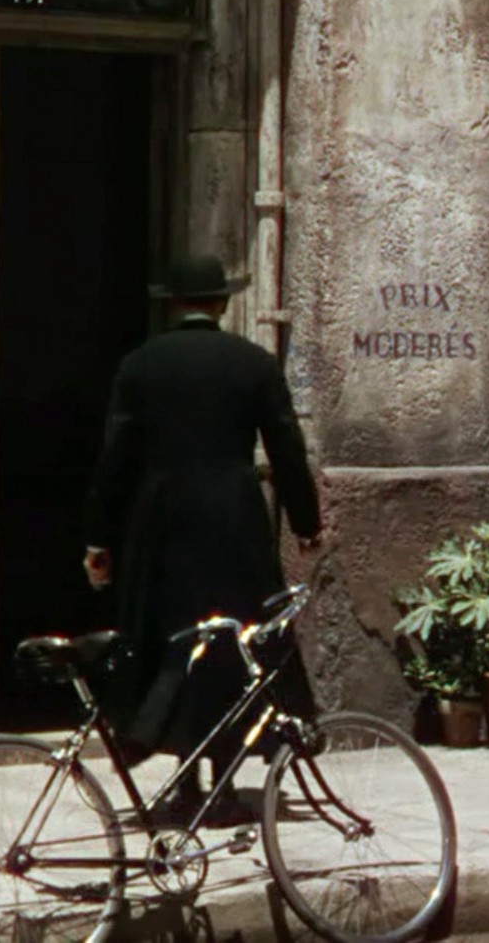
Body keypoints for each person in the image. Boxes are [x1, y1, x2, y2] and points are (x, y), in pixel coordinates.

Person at [84, 252, 322, 826]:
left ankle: (186, 781)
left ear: (172, 305)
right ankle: (224, 782)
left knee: (174, 645)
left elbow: (115, 460)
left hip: (162, 522)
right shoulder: (253, 364)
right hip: (234, 522)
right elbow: (287, 448)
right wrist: (306, 523)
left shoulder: (141, 366)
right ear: (221, 303)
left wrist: (98, 539)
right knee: (234, 644)